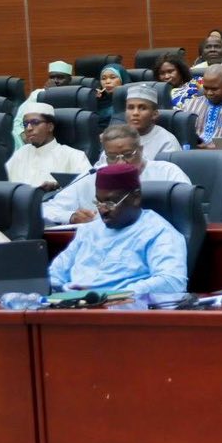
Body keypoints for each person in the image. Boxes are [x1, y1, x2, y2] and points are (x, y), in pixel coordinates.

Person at [48, 164, 189, 297]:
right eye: (98, 202)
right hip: (70, 306)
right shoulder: (88, 230)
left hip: (121, 311)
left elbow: (172, 282)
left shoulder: (159, 233)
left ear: (136, 197)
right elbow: (55, 273)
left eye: (110, 203)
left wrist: (110, 295)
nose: (102, 210)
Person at [44, 125, 191, 225]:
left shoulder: (167, 172)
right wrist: (71, 217)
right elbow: (46, 209)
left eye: (128, 155)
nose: (121, 163)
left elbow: (188, 209)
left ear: (140, 150)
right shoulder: (93, 175)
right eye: (112, 157)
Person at [6, 102, 90, 191]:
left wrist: (57, 186)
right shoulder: (21, 152)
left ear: (50, 127)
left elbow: (89, 186)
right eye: (25, 124)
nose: (28, 128)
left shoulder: (74, 156)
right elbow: (2, 181)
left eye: (35, 122)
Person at [13, 60, 75, 145]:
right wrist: (25, 138)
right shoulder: (38, 94)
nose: (55, 81)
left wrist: (53, 95)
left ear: (70, 80)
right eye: (52, 77)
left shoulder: (76, 95)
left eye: (60, 77)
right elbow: (18, 121)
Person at [123, 85, 181, 159]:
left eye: (143, 108)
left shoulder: (167, 142)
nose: (135, 113)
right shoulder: (117, 137)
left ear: (154, 114)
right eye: (130, 108)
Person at [91, 63, 130, 127]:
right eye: (103, 78)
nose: (107, 81)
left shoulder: (131, 100)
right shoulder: (97, 99)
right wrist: (92, 101)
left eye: (113, 77)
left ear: (122, 79)